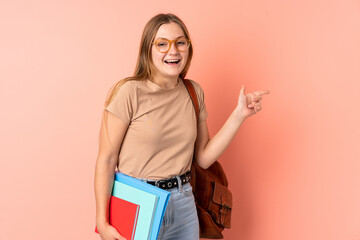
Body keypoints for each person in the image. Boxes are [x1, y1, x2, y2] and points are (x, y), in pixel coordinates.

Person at [94, 13, 270, 240]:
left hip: (183, 201)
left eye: (180, 42)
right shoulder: (129, 92)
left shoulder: (193, 92)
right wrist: (102, 221)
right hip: (139, 202)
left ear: (188, 47)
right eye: (162, 44)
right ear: (148, 49)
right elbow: (106, 160)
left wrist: (239, 115)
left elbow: (204, 158)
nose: (173, 51)